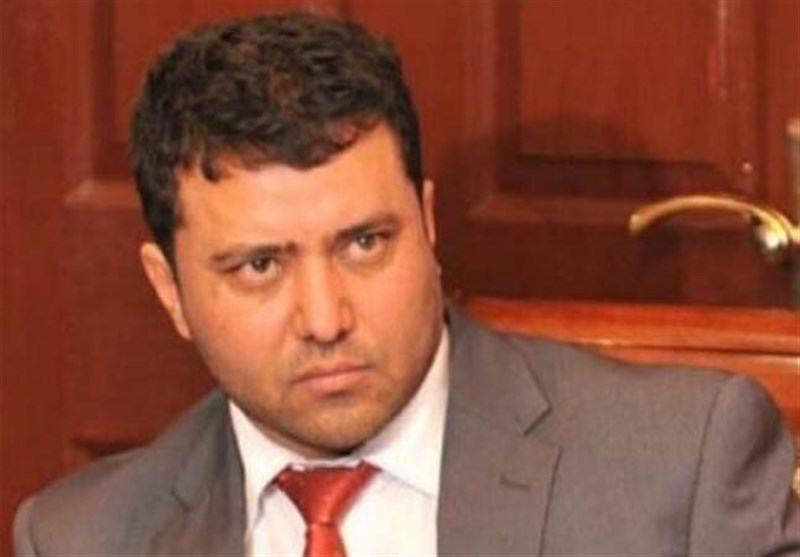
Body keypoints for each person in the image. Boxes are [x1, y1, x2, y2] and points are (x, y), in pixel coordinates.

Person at [13, 11, 800, 557]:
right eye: (260, 266)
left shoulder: (682, 467)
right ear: (169, 290)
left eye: (364, 242)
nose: (326, 318)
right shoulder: (82, 538)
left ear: (425, 223)